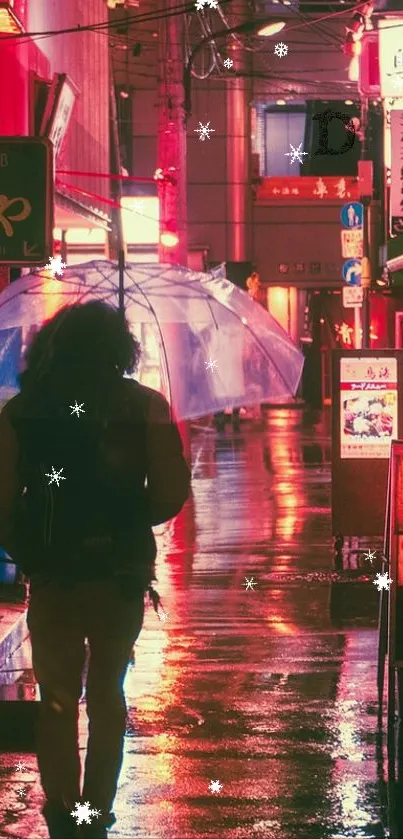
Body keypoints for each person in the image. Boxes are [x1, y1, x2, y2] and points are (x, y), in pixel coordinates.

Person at [0, 301, 191, 839]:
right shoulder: (147, 407)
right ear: (118, 349)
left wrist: (30, 546)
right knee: (108, 692)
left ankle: (62, 809)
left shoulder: (21, 414)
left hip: (54, 575)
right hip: (120, 574)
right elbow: (170, 496)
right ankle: (95, 811)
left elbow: (1, 502)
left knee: (56, 696)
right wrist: (127, 514)